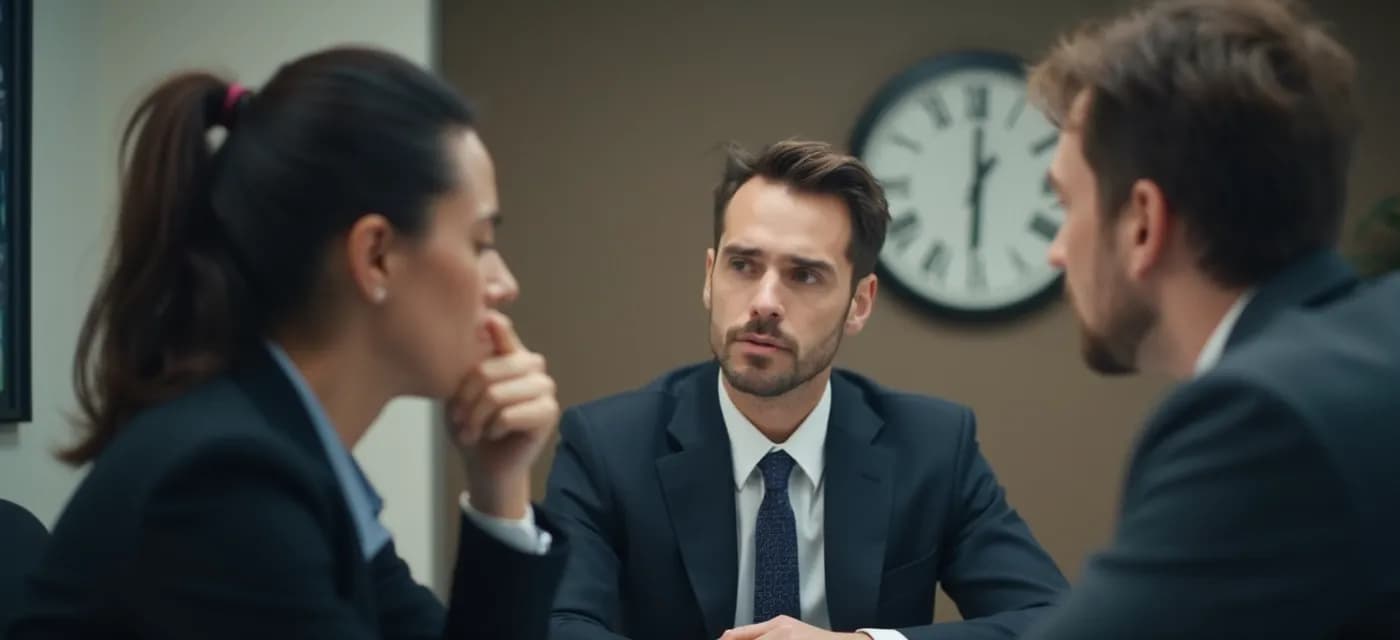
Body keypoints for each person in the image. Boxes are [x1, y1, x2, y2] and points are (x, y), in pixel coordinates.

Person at [10, 47, 569, 638]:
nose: (504, 285)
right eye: (479, 243)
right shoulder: (227, 486)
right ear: (375, 256)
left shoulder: (282, 454)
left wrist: (499, 482)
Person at [1019, 0, 1400, 637]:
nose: (1057, 248)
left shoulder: (1271, 418)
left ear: (1144, 223)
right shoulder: (1383, 368)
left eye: (1066, 203)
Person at [542, 139, 1067, 640]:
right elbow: (556, 626)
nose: (765, 302)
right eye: (743, 265)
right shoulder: (609, 447)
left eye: (805, 275)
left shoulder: (931, 447)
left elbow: (1049, 621)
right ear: (709, 277)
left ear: (860, 303)